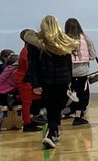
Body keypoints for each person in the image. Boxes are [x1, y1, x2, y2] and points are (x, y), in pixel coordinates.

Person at [23, 16, 78, 150]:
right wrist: (70, 81)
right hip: (62, 81)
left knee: (52, 107)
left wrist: (35, 84)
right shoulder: (64, 43)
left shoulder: (36, 44)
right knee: (57, 107)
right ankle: (51, 132)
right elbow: (68, 65)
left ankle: (54, 132)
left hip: (46, 81)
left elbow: (33, 66)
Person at [63, 18, 97, 126]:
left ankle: (60, 114)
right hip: (82, 72)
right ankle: (78, 117)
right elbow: (93, 55)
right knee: (80, 94)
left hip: (67, 72)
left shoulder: (63, 39)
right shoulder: (86, 38)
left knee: (66, 94)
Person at [15, 35, 43, 132]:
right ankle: (27, 124)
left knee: (31, 100)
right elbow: (29, 67)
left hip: (25, 78)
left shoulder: (26, 50)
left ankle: (30, 120)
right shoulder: (26, 51)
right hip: (24, 79)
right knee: (27, 102)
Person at [0, 51, 21, 128]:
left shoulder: (8, 68)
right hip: (4, 97)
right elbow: (18, 84)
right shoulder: (14, 71)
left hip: (1, 96)